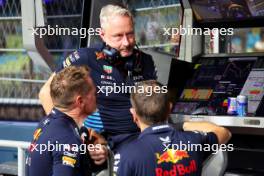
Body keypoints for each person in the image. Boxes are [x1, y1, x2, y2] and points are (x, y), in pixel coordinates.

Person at [39, 4, 157, 138]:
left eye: (130, 34)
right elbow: (45, 93)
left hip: (143, 139)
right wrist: (72, 135)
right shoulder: (86, 57)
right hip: (107, 144)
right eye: (118, 36)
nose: (126, 42)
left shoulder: (145, 61)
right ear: (103, 35)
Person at [114, 80, 231, 176]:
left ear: (134, 115)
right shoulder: (194, 141)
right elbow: (224, 133)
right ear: (169, 108)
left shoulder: (126, 155)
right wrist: (183, 125)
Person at [26, 66, 108, 176]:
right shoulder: (67, 138)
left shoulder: (48, 122)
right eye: (94, 93)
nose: (98, 96)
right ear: (80, 101)